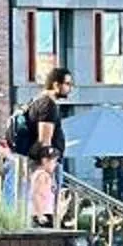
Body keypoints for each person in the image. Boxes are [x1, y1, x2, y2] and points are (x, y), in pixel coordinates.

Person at [26, 63, 73, 227]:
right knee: (47, 204)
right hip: (47, 164)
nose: (70, 88)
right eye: (67, 84)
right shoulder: (48, 105)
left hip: (43, 163)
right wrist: (48, 167)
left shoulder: (37, 101)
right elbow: (45, 141)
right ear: (56, 85)